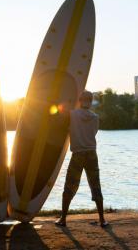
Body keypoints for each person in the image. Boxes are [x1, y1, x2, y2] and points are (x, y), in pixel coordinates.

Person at [55, 90, 108, 227]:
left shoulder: (72, 115)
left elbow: (63, 126)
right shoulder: (95, 117)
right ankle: (102, 220)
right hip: (91, 154)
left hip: (78, 154)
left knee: (70, 185)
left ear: (79, 101)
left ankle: (63, 219)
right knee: (96, 185)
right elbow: (93, 133)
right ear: (90, 102)